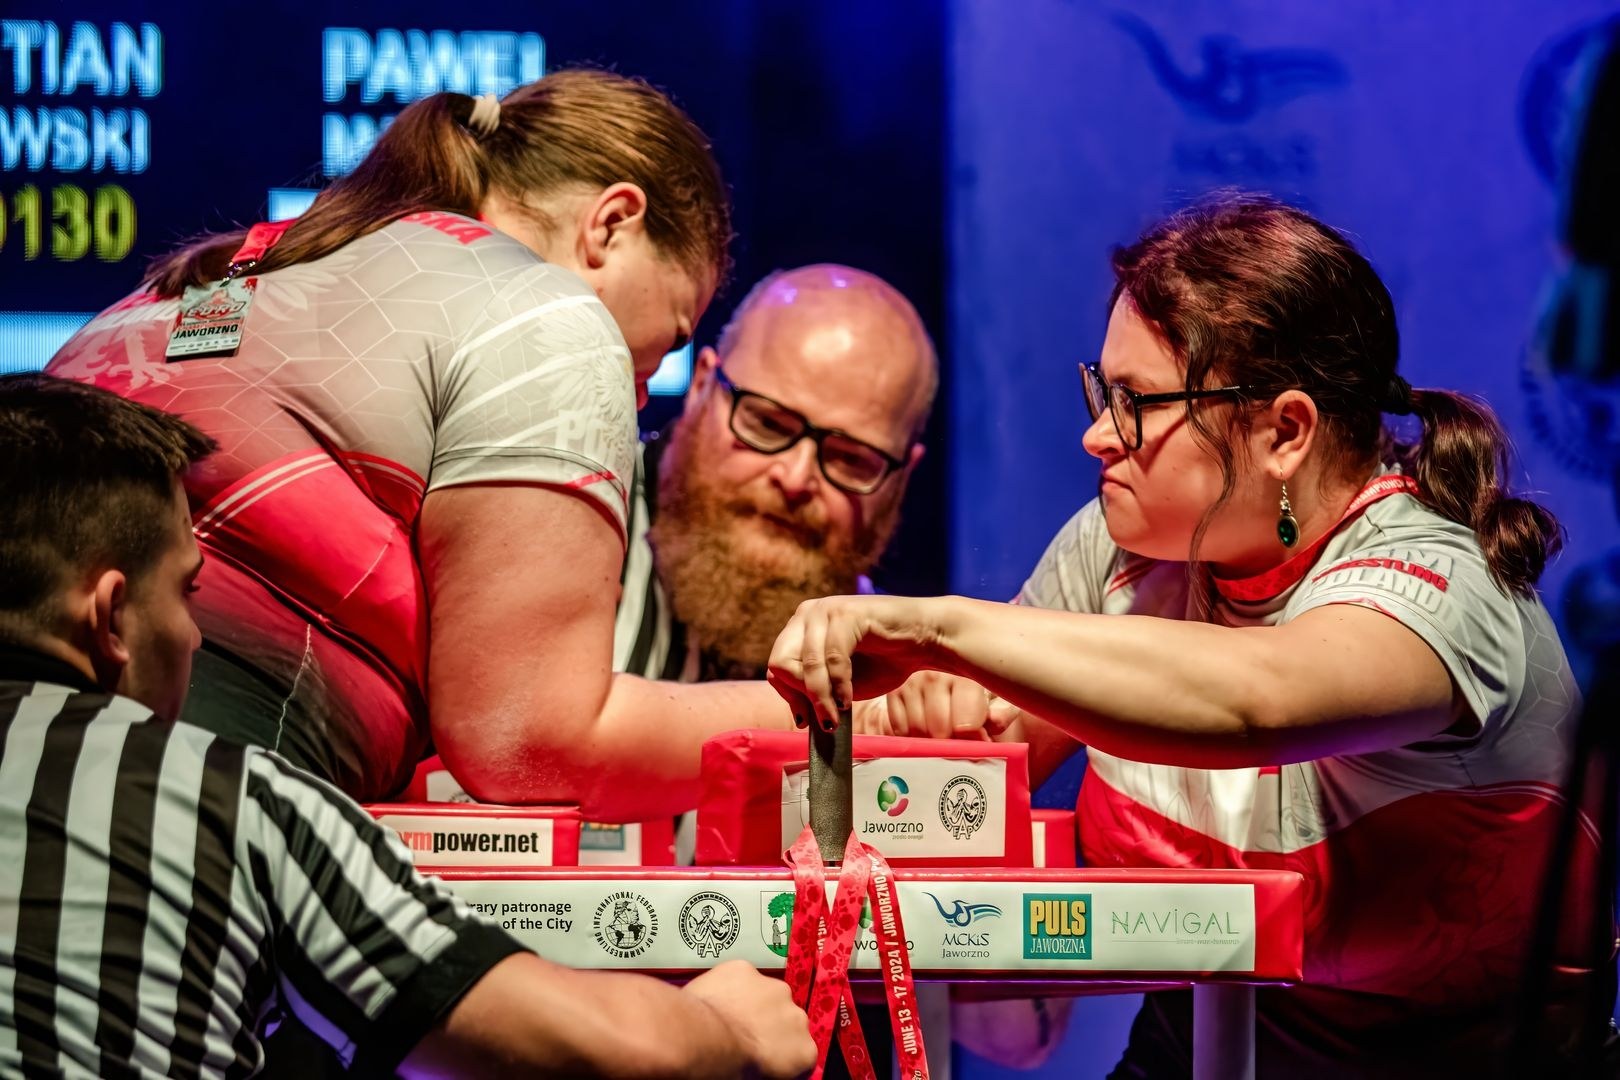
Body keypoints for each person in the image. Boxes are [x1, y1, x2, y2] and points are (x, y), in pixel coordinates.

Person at [766, 196, 1608, 1076]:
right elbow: (961, 768)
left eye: (1134, 403)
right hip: (1202, 1045)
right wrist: (929, 717)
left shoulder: (1443, 580)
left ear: (1285, 432)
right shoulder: (1119, 550)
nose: (1097, 436)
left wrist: (939, 625)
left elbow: (1259, 698)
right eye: (1102, 392)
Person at [0, 372, 814, 1079]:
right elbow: (608, 1049)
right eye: (188, 591)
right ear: (110, 616)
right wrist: (731, 1026)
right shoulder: (238, 805)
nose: (198, 636)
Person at [46, 69, 793, 819]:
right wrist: (847, 717)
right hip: (173, 834)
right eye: (664, 343)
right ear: (610, 224)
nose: (638, 395)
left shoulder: (199, 279)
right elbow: (531, 737)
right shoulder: (545, 315)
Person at [621, 262, 935, 684]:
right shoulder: (577, 523)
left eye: (851, 459)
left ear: (900, 482)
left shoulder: (885, 665)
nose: (795, 478)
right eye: (767, 424)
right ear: (700, 389)